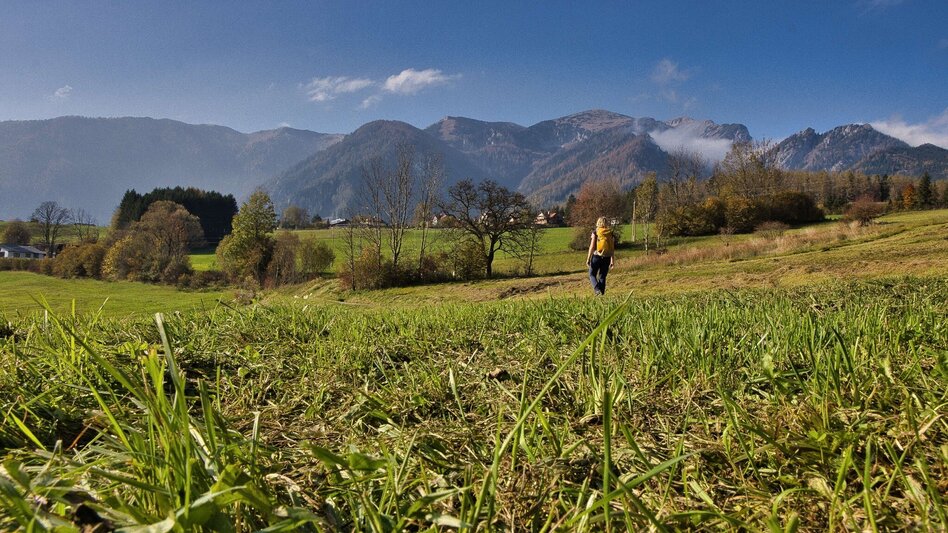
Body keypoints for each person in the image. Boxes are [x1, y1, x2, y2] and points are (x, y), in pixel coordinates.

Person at [586, 217, 616, 295]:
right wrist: (612, 260)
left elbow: (592, 247)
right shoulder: (610, 233)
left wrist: (588, 258)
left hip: (596, 256)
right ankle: (601, 295)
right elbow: (612, 247)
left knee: (592, 274)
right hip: (607, 257)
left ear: (598, 223)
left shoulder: (596, 232)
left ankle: (597, 290)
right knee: (602, 276)